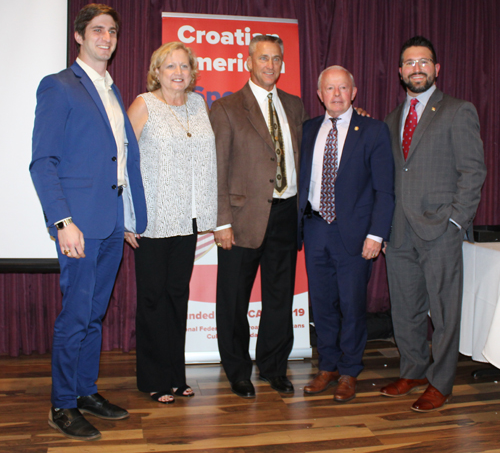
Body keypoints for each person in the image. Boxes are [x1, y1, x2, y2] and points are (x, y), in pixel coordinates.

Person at [30, 4, 147, 441]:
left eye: (112, 31)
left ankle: (84, 391)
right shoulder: (59, 87)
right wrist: (62, 221)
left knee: (95, 316)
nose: (106, 37)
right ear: (78, 36)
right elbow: (43, 162)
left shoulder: (112, 91)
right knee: (75, 317)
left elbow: (120, 163)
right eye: (97, 30)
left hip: (113, 223)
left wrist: (131, 218)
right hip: (78, 225)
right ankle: (61, 405)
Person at [381, 36, 486, 412]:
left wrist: (456, 221)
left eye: (424, 62)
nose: (417, 68)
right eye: (409, 63)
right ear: (400, 71)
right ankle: (412, 370)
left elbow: (473, 171)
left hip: (440, 228)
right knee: (405, 308)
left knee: (443, 311)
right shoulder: (391, 120)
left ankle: (440, 383)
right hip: (399, 231)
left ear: (437, 69)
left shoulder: (458, 111)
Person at [210, 35, 309, 398]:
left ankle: (273, 367)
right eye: (263, 58)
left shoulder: (295, 106)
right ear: (247, 62)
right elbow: (216, 169)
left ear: (283, 63)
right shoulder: (226, 108)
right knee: (234, 299)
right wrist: (221, 221)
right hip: (240, 218)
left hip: (286, 213)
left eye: (276, 59)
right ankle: (237, 371)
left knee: (280, 297)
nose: (270, 65)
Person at [126, 42, 217, 404]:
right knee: (152, 298)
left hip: (187, 220)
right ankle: (153, 378)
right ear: (157, 72)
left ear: (192, 72)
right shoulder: (143, 104)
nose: (177, 72)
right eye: (170, 66)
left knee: (178, 297)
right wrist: (127, 217)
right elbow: (122, 162)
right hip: (152, 220)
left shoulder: (198, 105)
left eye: (184, 66)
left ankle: (175, 375)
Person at [298, 66, 394, 402]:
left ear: (353, 93)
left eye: (342, 88)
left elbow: (385, 190)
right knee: (322, 303)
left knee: (352, 304)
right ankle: (328, 365)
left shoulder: (373, 130)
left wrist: (377, 235)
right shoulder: (308, 129)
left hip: (354, 232)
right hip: (314, 228)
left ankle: (350, 370)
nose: (336, 94)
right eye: (329, 88)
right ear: (319, 93)